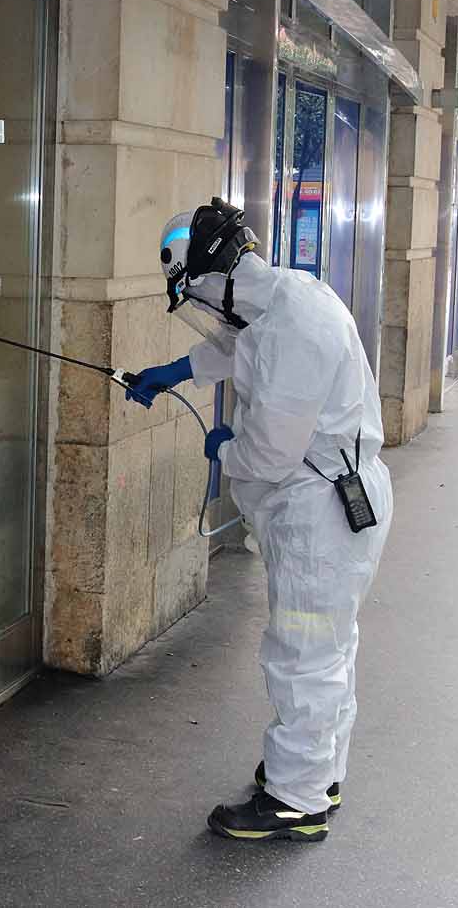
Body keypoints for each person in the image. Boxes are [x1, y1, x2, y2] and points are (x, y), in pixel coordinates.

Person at [125, 200, 394, 843]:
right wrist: (174, 374)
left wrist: (225, 449)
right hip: (334, 501)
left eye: (195, 293)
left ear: (214, 277)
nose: (201, 307)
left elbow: (269, 455)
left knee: (303, 652)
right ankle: (316, 771)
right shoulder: (283, 300)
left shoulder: (291, 325)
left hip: (320, 511)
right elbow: (236, 349)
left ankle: (295, 800)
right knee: (329, 648)